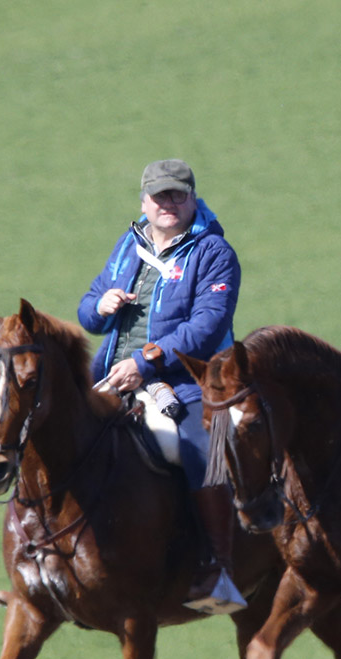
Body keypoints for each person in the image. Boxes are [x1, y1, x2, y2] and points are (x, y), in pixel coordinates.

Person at [78, 159, 247, 613]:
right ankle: (42, 557)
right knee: (50, 430)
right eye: (159, 196)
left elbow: (207, 327)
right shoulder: (128, 245)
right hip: (112, 374)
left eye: (177, 195)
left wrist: (144, 362)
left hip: (189, 381)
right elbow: (87, 311)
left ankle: (218, 568)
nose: (168, 203)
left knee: (201, 449)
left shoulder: (214, 252)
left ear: (192, 199)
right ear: (144, 202)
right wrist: (101, 306)